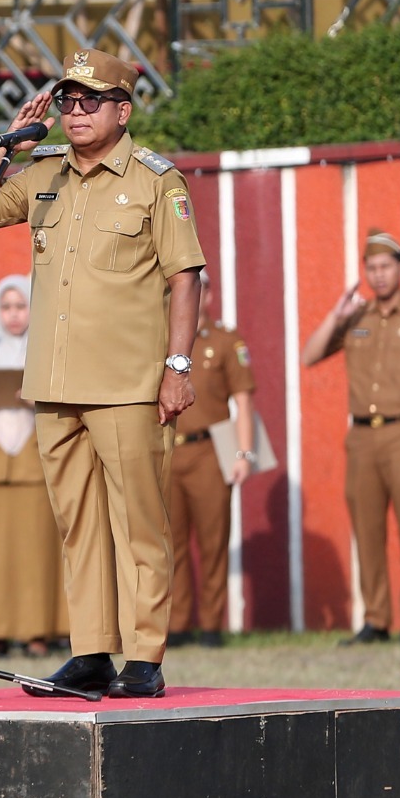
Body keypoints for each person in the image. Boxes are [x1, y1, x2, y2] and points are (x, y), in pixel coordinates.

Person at [0, 47, 204, 700]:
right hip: (55, 386)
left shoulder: (157, 181)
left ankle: (143, 656)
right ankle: (91, 650)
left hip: (127, 385)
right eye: (67, 99)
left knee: (139, 521)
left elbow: (185, 277)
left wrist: (178, 366)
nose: (76, 110)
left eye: (91, 99)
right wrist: (7, 142)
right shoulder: (44, 174)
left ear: (124, 109)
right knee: (77, 524)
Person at [301, 229, 400, 644]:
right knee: (367, 528)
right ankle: (377, 618)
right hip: (363, 436)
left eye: (386, 266)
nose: (379, 274)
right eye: (372, 267)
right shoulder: (357, 317)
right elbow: (310, 355)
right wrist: (337, 313)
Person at [0, 274, 67, 658]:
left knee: (35, 550)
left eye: (20, 306)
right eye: (6, 307)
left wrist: (35, 396)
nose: (12, 315)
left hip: (32, 456)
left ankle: (37, 630)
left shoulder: (46, 347)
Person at [166, 269, 258, 648]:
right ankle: (179, 623)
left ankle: (211, 625)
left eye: (199, 289)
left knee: (213, 538)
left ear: (210, 295)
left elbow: (243, 399)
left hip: (212, 446)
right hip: (172, 445)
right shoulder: (166, 339)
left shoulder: (224, 340)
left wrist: (244, 453)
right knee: (171, 541)